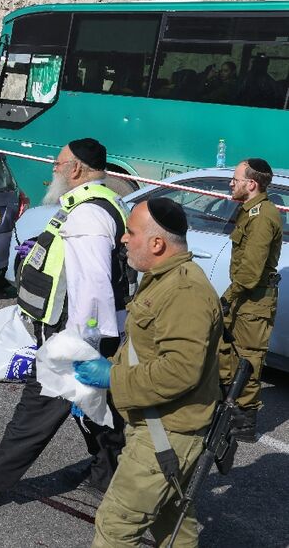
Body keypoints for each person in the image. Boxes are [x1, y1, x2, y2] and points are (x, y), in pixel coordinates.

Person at [0, 138, 128, 506]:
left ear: (76, 169)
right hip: (84, 333)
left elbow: (92, 289)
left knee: (38, 408)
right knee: (96, 405)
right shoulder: (95, 204)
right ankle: (110, 474)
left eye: (58, 165)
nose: (53, 171)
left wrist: (80, 346)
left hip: (74, 336)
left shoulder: (90, 214)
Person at [74, 197, 221, 547]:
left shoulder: (184, 290)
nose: (123, 239)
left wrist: (113, 378)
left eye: (131, 232)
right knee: (173, 526)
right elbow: (148, 348)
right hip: (159, 423)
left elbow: (180, 371)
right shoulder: (162, 278)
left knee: (115, 528)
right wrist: (104, 382)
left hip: (167, 431)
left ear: (157, 243)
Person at [218, 158, 282, 441]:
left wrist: (227, 297)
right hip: (245, 299)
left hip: (253, 302)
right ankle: (227, 413)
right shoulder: (249, 211)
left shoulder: (262, 216)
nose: (231, 183)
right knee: (229, 355)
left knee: (247, 361)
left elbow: (251, 272)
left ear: (251, 184)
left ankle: (243, 424)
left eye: (236, 179)